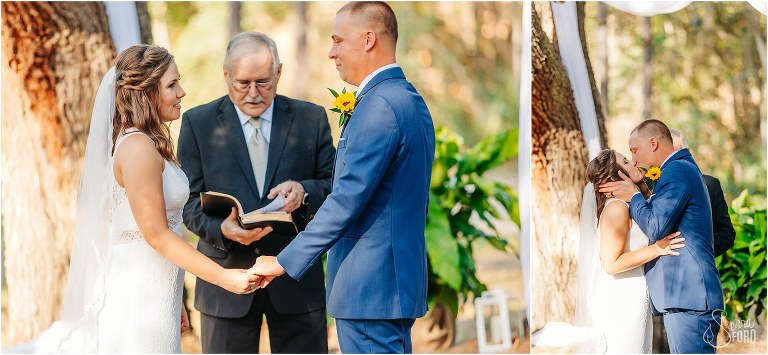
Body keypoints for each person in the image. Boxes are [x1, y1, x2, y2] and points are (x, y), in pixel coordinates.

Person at [8, 44, 261, 354]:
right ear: (146, 93)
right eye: (171, 84)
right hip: (135, 303)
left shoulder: (149, 144)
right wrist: (222, 277)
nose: (181, 92)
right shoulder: (137, 147)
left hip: (156, 296)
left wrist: (174, 297)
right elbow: (155, 234)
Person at [248, 2, 436, 353]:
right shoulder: (409, 100)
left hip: (369, 286)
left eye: (337, 40)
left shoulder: (379, 106)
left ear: (368, 40)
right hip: (392, 282)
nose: (331, 52)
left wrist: (283, 260)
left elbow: (346, 199)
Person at [177, 32, 334, 354]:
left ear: (279, 72)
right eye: (242, 83)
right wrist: (220, 229)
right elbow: (186, 201)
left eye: (263, 82)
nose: (252, 93)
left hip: (296, 280)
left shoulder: (311, 118)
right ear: (226, 75)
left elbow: (335, 184)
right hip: (225, 279)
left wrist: (305, 191)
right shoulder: (198, 123)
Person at [600, 119, 724, 353]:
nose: (634, 159)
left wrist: (634, 196)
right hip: (685, 299)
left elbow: (656, 227)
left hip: (689, 297)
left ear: (654, 143)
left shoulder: (676, 170)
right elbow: (661, 215)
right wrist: (642, 192)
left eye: (634, 151)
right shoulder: (680, 169)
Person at [575, 149, 684, 353]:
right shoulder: (616, 208)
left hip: (634, 295)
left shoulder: (629, 205)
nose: (634, 162)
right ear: (618, 176)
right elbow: (611, 264)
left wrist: (640, 188)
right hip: (621, 299)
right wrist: (656, 249)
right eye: (626, 161)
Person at [647, 129, 736, 354]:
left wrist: (692, 250)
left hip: (690, 289)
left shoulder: (709, 184)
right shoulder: (648, 186)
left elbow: (726, 233)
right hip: (660, 290)